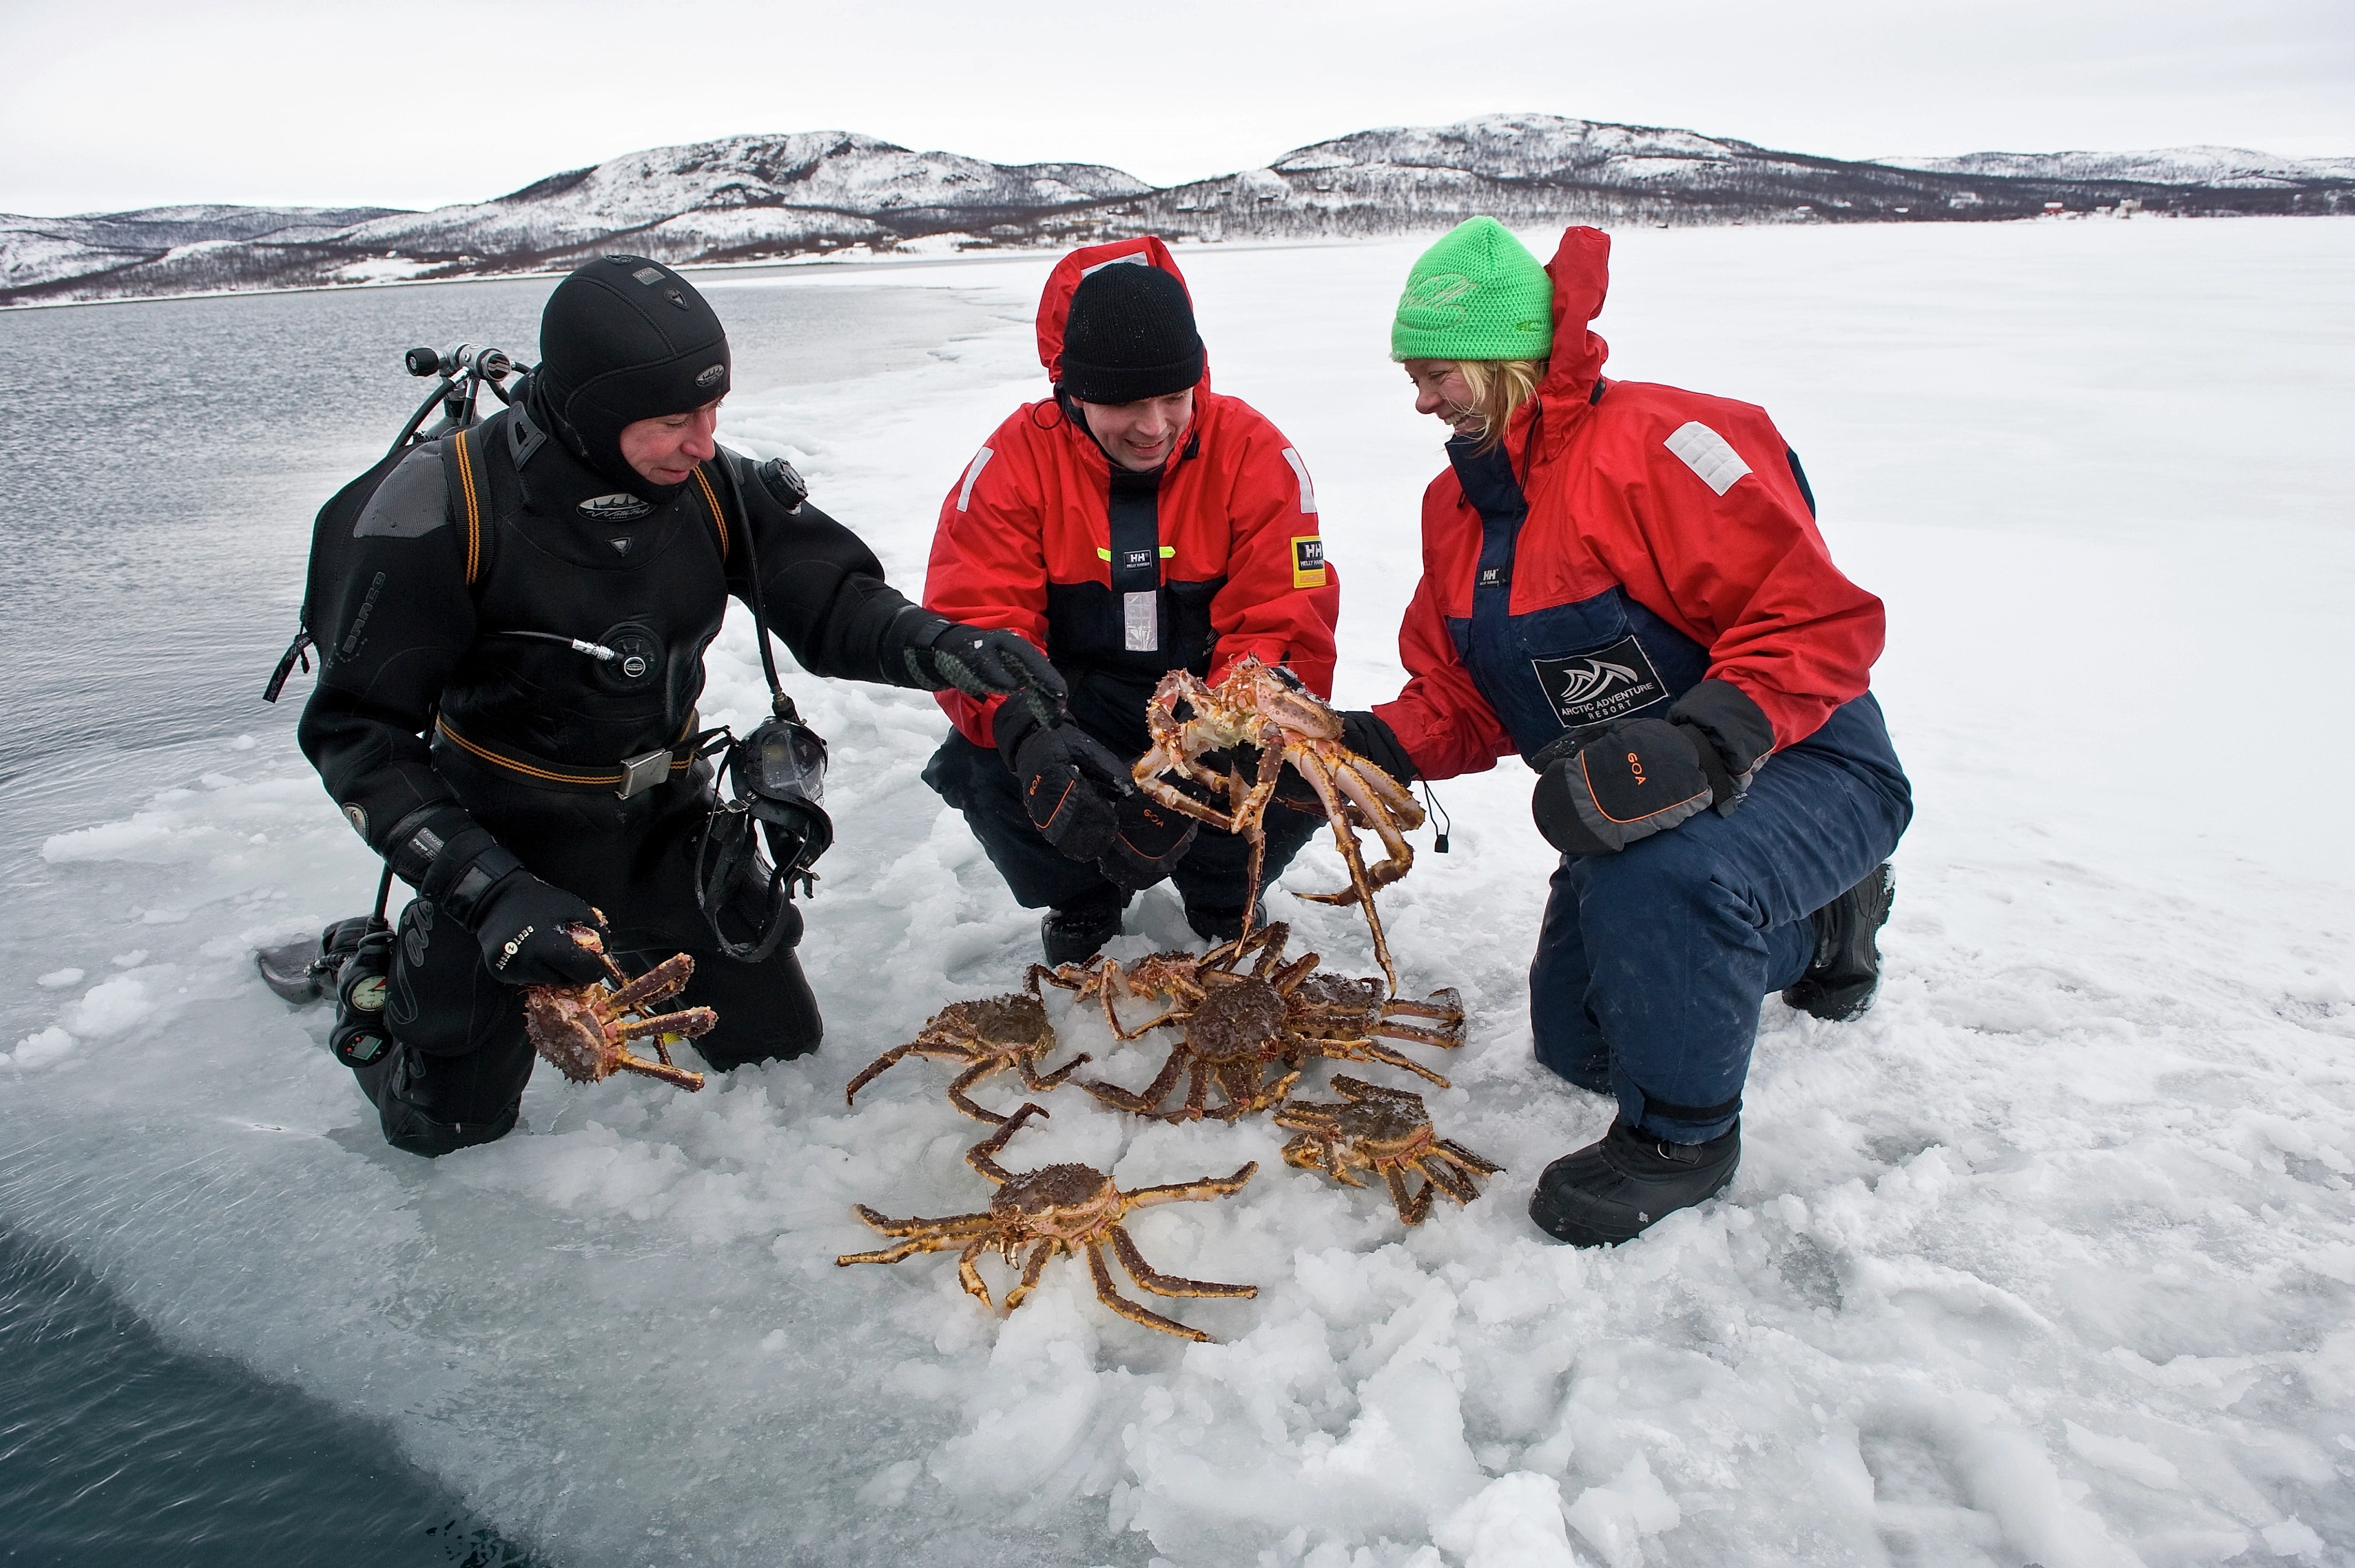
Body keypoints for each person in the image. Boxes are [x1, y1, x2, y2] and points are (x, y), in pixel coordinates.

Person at [297, 254, 1064, 1157]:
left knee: (781, 1051)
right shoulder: (438, 513)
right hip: (497, 837)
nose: (704, 442)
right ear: (589, 409)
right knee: (445, 1133)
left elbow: (823, 597)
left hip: (660, 825)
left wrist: (940, 644)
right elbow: (358, 737)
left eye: (712, 413)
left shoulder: (709, 484)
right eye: (673, 421)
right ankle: (369, 971)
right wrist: (488, 891)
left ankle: (621, 944)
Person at [1336, 219, 1912, 1246]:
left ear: (1503, 359)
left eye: (1438, 374)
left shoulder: (1661, 448)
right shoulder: (1458, 509)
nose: (1421, 400)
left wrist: (1703, 740)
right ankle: (1819, 929)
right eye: (1413, 376)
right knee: (1583, 1042)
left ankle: (1684, 1140)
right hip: (1626, 805)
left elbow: (1821, 619)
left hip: (1801, 757)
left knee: (1671, 883)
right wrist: (1358, 746)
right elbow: (1471, 697)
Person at [919, 237, 1341, 963]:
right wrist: (1030, 732)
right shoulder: (1013, 464)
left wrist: (1217, 730)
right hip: (1080, 706)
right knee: (981, 760)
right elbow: (976, 621)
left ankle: (1223, 890)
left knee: (1301, 754)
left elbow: (1286, 618)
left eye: (1173, 398)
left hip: (1211, 703)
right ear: (1075, 390)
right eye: (1124, 404)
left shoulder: (1255, 456)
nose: (1153, 428)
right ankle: (1083, 896)